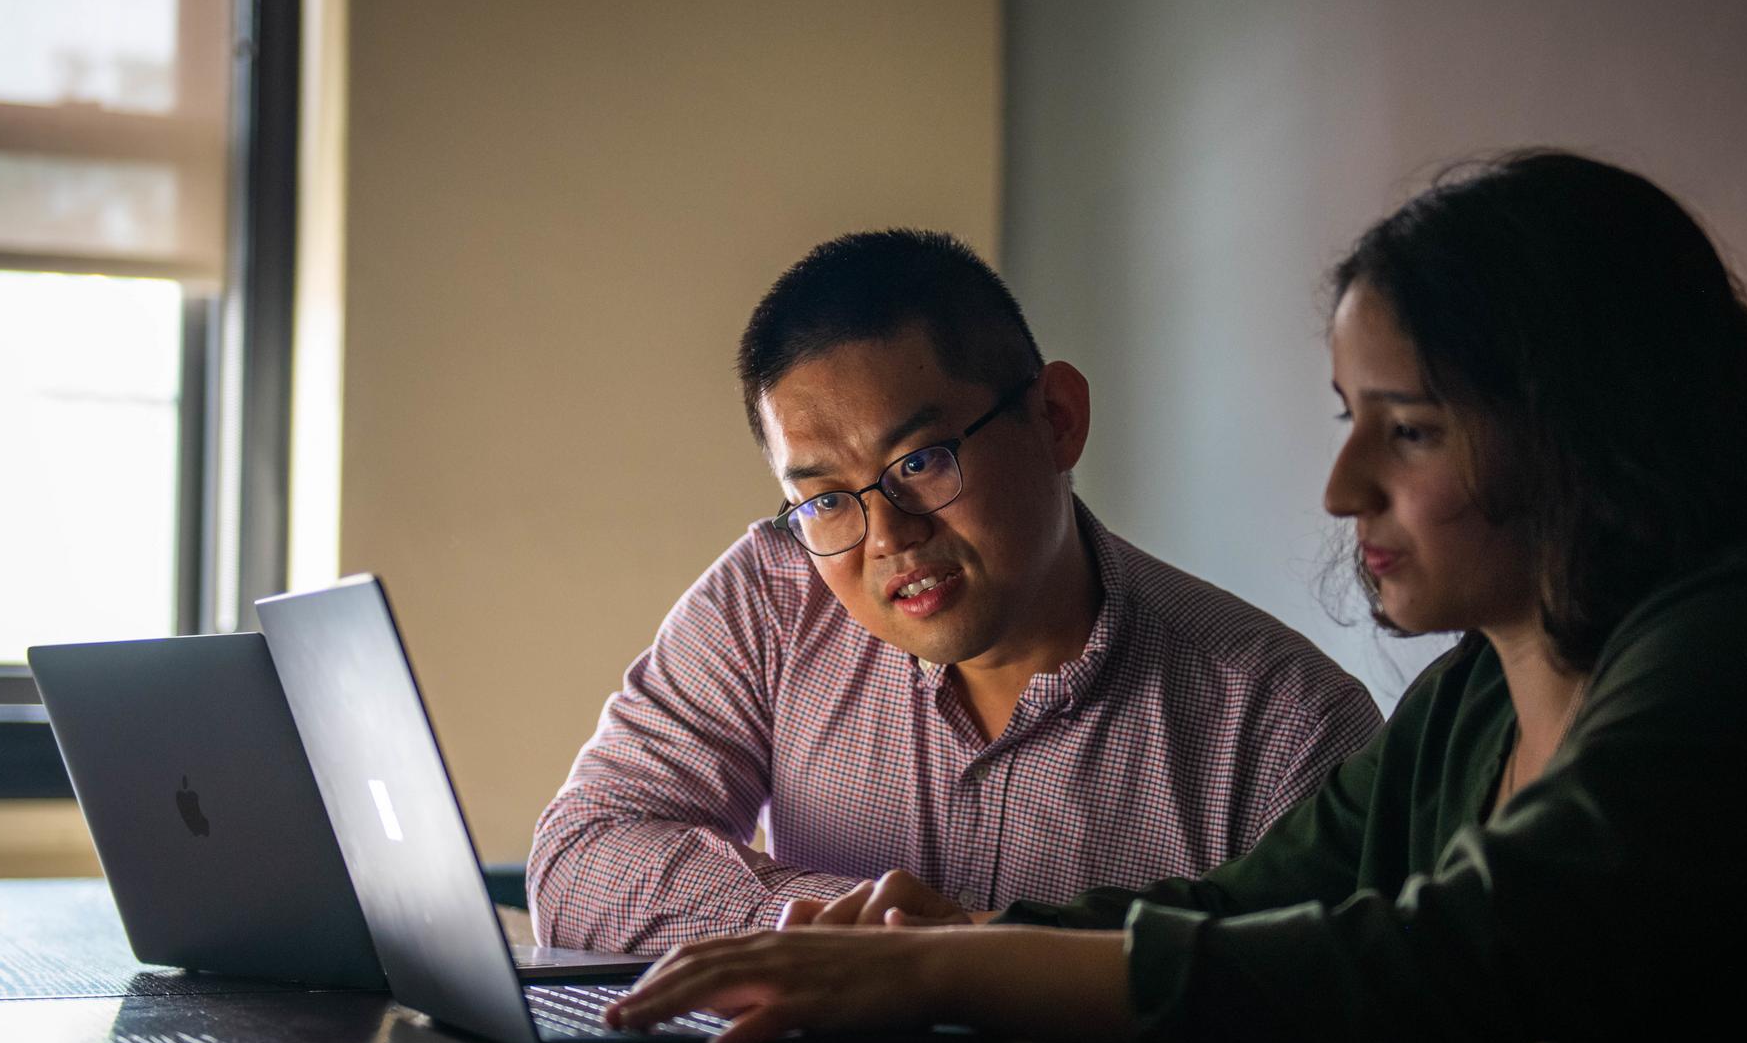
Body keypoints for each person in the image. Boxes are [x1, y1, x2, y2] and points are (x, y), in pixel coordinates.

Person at [605, 153, 1747, 1043]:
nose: (1343, 487)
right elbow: (1236, 910)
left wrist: (942, 970)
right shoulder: (1466, 709)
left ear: (1588, 428)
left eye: (1412, 428)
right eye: (1348, 417)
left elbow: (1439, 961)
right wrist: (952, 932)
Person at [529, 229, 1381, 952]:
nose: (889, 536)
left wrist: (973, 959)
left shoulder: (1283, 728)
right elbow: (579, 854)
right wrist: (845, 931)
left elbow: (1329, 1039)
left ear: (1057, 418)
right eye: (825, 500)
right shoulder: (776, 595)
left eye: (921, 462)